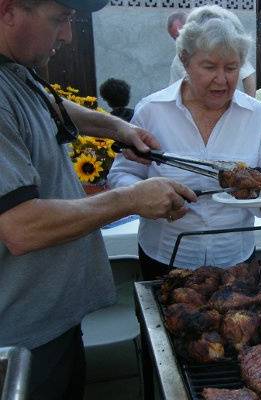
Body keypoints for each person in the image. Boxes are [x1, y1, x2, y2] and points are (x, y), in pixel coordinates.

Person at [0, 0, 197, 399]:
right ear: (8, 10)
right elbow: (21, 227)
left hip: (50, 321)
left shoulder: (14, 73)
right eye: (59, 20)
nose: (67, 35)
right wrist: (129, 199)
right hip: (20, 335)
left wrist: (117, 128)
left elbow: (51, 106)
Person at [109, 5, 261, 279]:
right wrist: (144, 195)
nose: (222, 80)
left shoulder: (258, 116)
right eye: (209, 66)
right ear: (185, 60)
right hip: (165, 257)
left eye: (232, 67)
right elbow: (122, 173)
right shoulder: (152, 110)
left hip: (234, 259)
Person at [168, 8, 257, 96]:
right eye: (175, 37)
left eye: (230, 68)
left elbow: (248, 77)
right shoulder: (178, 61)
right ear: (184, 59)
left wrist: (249, 105)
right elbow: (173, 90)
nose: (221, 81)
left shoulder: (230, 48)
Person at [168, 11, 188, 84]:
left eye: (180, 35)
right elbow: (174, 91)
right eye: (175, 38)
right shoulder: (177, 63)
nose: (178, 41)